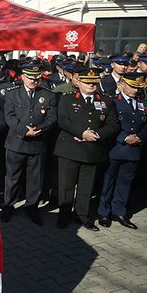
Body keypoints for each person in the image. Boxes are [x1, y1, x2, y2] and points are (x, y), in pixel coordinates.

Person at [54, 67, 120, 231]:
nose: (91, 85)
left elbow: (114, 125)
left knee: (86, 186)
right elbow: (63, 121)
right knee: (66, 186)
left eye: (94, 82)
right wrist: (82, 133)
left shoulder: (106, 100)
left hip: (92, 149)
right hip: (70, 148)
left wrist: (96, 134)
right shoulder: (67, 99)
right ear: (78, 82)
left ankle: (82, 216)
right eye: (87, 82)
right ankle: (64, 216)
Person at [1, 64, 58, 225]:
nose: (34, 80)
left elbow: (52, 118)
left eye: (36, 78)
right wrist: (24, 131)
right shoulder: (12, 94)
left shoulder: (48, 95)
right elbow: (9, 116)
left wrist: (39, 130)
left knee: (35, 178)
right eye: (30, 77)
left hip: (38, 142)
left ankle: (31, 207)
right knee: (12, 177)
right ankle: (8, 206)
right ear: (23, 77)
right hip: (17, 142)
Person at [98, 73, 147, 230]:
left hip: (134, 150)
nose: (135, 90)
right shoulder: (112, 101)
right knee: (108, 181)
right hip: (115, 147)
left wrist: (140, 137)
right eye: (132, 86)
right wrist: (125, 138)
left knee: (125, 183)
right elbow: (108, 124)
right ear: (121, 85)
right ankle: (103, 212)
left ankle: (119, 211)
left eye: (138, 87)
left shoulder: (143, 102)